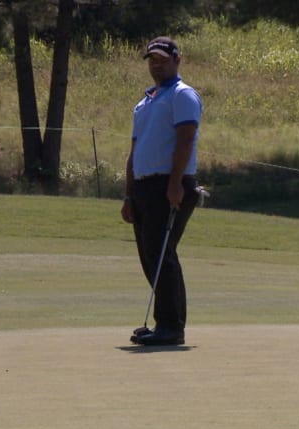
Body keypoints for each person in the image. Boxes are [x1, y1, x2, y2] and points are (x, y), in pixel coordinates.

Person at [121, 36, 202, 346]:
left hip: (169, 184)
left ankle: (171, 327)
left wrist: (174, 184)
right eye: (152, 60)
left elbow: (185, 140)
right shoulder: (144, 102)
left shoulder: (183, 96)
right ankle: (164, 322)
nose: (156, 65)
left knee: (161, 255)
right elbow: (135, 151)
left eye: (162, 60)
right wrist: (128, 195)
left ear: (177, 60)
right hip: (143, 187)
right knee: (151, 256)